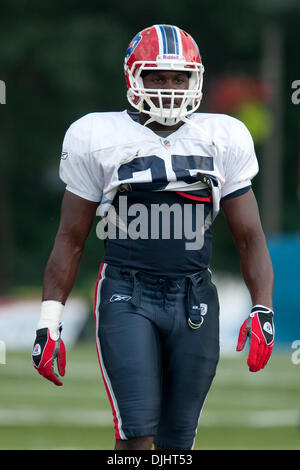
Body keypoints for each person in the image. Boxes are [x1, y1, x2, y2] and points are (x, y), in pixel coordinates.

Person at [32, 24, 275, 451]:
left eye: (178, 78)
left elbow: (250, 237)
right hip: (127, 292)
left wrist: (263, 309)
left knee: (178, 443)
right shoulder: (96, 135)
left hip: (195, 297)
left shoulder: (224, 137)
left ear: (195, 80)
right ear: (133, 78)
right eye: (156, 77)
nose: (168, 88)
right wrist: (49, 320)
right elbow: (71, 238)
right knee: (137, 433)